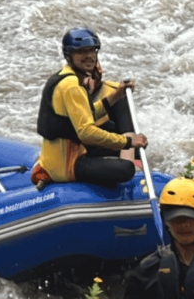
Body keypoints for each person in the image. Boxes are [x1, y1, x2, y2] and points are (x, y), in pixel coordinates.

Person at [35, 28, 148, 186]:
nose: (88, 56)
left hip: (73, 153)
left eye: (92, 51)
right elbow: (86, 133)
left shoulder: (67, 78)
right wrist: (126, 141)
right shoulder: (71, 86)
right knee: (126, 169)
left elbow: (88, 113)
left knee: (133, 149)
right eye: (81, 52)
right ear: (69, 55)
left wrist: (116, 95)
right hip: (66, 166)